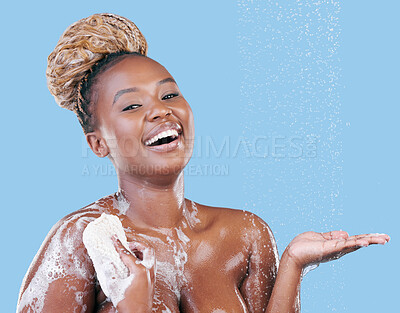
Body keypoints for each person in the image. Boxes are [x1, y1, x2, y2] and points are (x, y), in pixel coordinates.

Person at [16, 13, 389, 313]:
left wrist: (293, 265)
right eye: (132, 105)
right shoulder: (82, 241)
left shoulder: (246, 233)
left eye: (169, 94)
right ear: (98, 144)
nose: (160, 110)